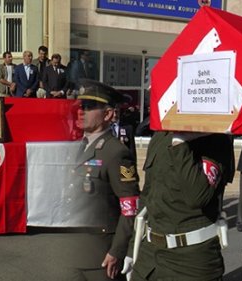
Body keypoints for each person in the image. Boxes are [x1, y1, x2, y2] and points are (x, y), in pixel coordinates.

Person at [124, 127, 234, 278]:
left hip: (190, 260)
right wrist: (132, 250)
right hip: (149, 257)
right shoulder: (161, 136)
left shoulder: (215, 139)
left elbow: (198, 197)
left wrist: (180, 145)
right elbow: (147, 197)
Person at [60, 79, 140, 281]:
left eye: (89, 107)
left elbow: (130, 208)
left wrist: (117, 251)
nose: (81, 111)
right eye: (80, 106)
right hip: (71, 252)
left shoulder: (115, 152)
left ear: (108, 114)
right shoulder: (77, 147)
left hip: (100, 258)